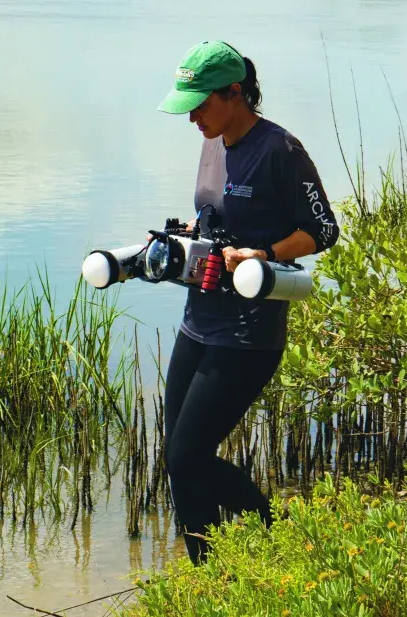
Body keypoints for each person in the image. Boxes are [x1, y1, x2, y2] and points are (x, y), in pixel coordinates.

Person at [155, 40, 340, 564]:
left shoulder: (281, 150)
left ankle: (274, 534)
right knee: (179, 460)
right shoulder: (211, 140)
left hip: (248, 334)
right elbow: (221, 215)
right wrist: (193, 234)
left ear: (234, 93)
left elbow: (322, 230)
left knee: (187, 454)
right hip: (198, 323)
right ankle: (210, 573)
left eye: (201, 104)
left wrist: (264, 253)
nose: (193, 116)